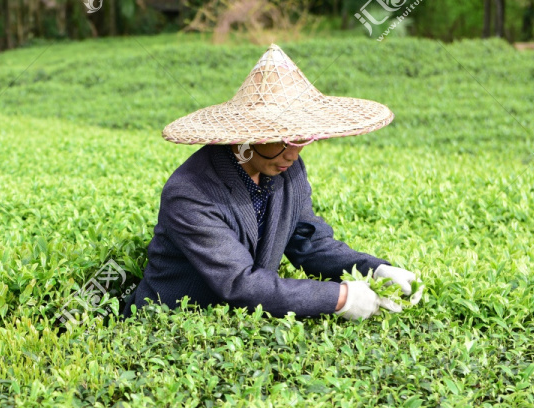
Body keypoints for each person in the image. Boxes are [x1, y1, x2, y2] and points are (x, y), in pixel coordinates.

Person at [121, 44, 423, 321]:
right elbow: (240, 283)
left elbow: (308, 241)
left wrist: (377, 270)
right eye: (283, 139)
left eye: (302, 138)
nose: (293, 154)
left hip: (241, 323)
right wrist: (340, 297)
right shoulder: (191, 192)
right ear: (248, 134)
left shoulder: (287, 169)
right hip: (175, 323)